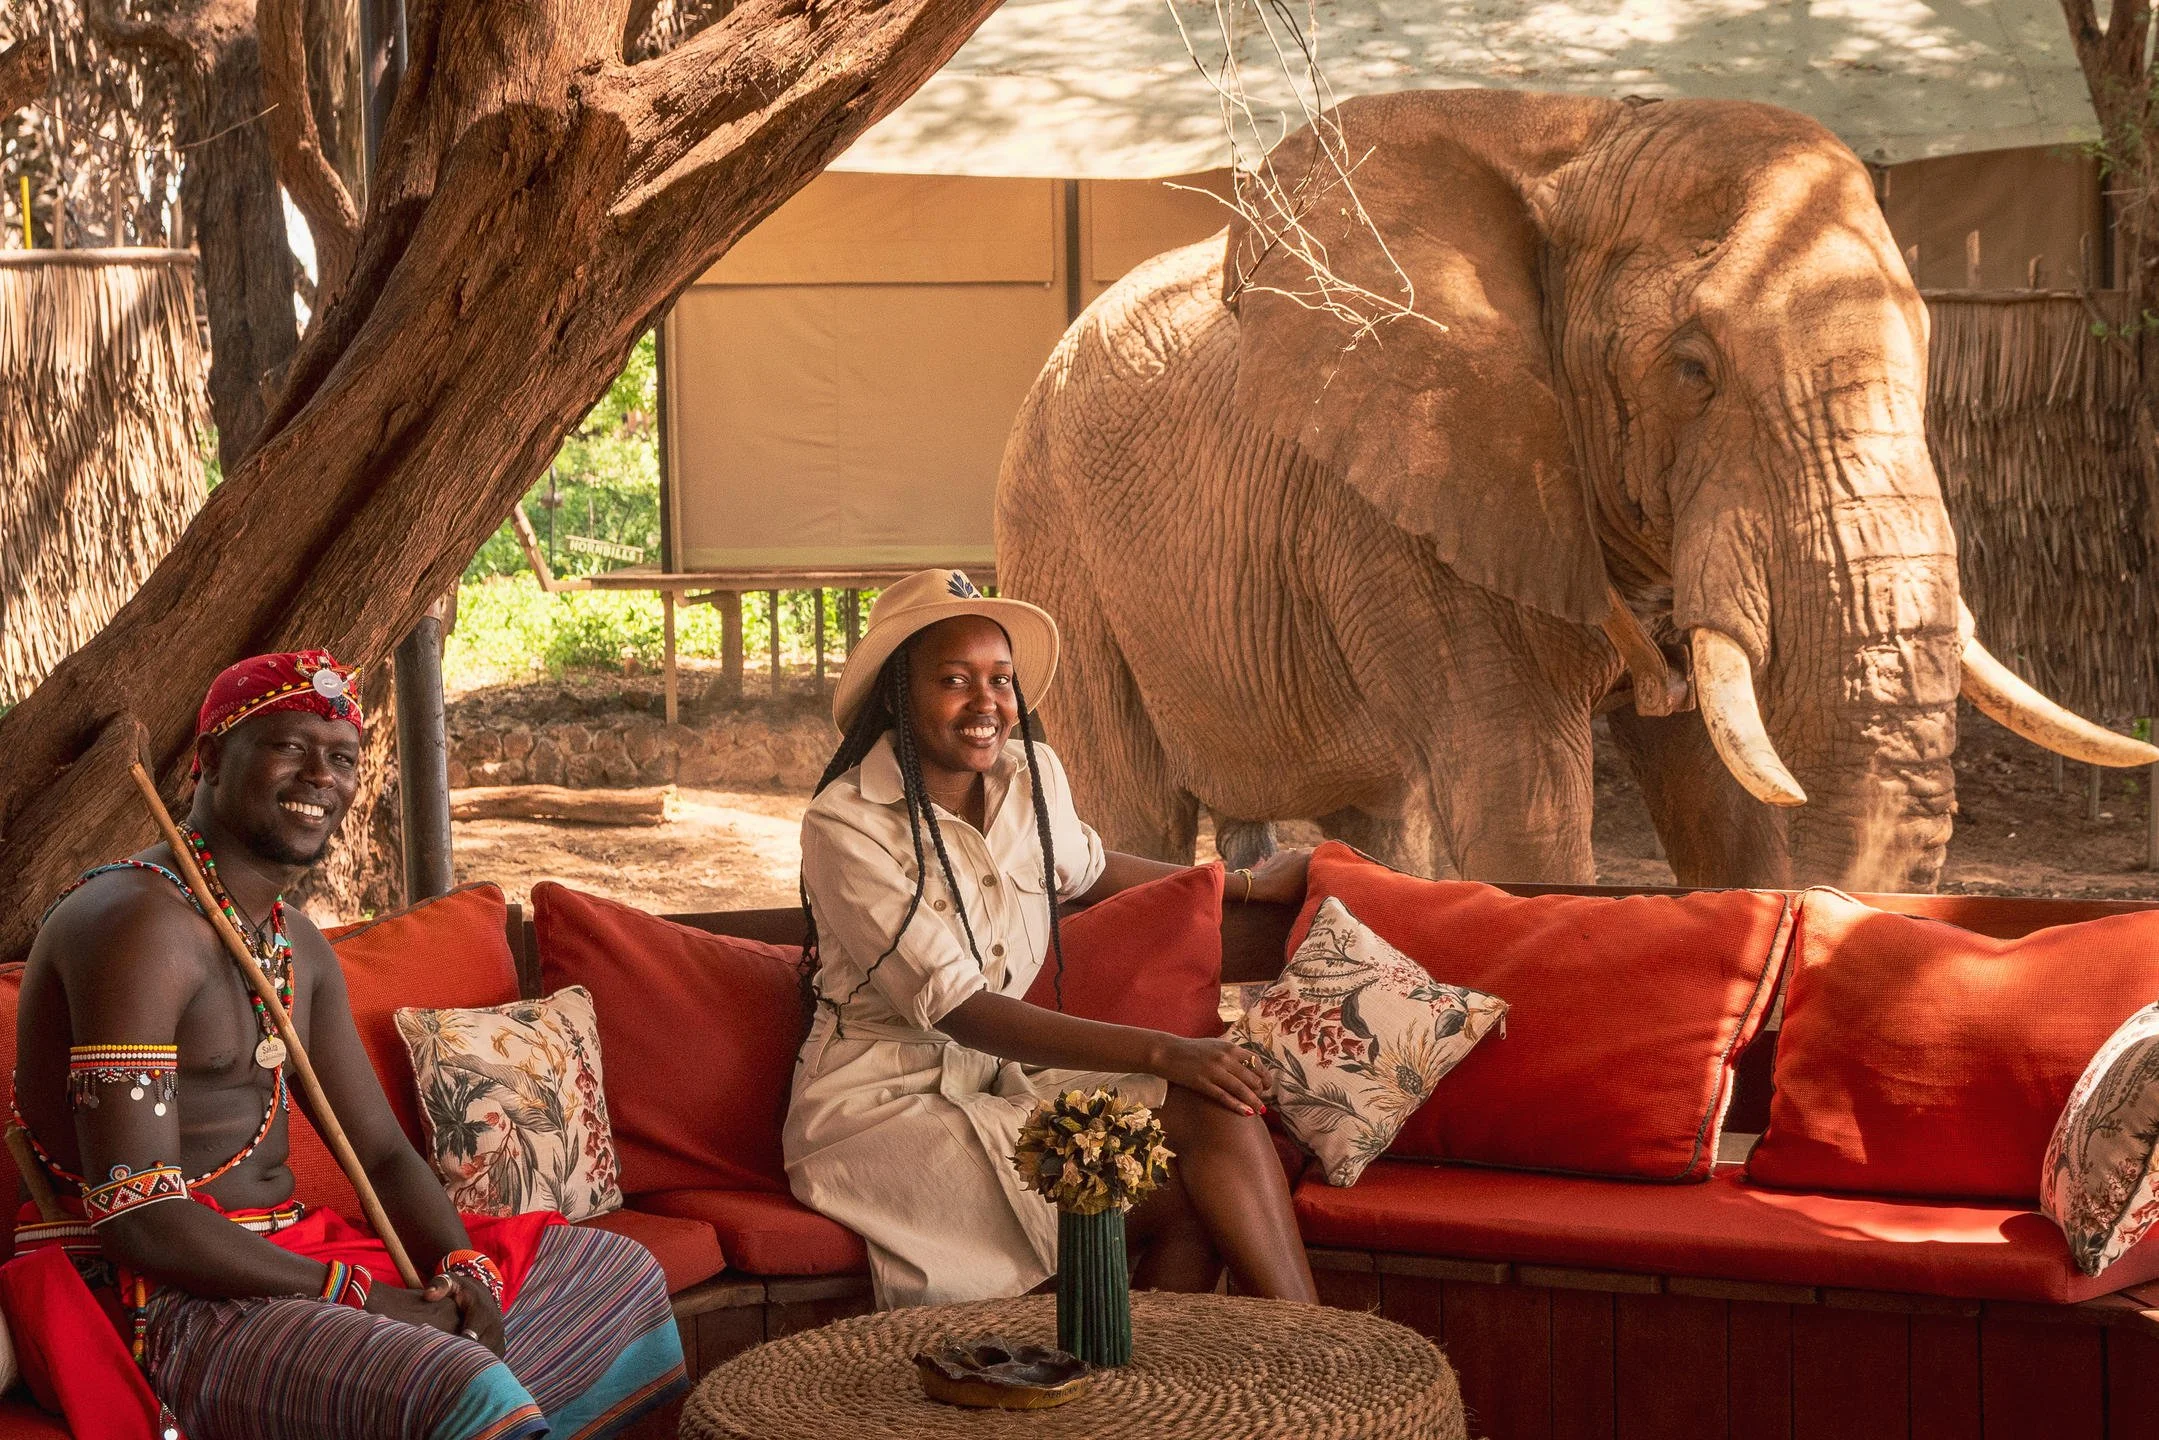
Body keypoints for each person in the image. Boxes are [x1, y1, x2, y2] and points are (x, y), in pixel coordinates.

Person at [10, 650, 686, 1440]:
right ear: (209, 761)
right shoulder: (136, 925)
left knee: (617, 1273)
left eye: (340, 757)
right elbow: (138, 1212)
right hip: (158, 1299)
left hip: (289, 1258)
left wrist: (460, 1268)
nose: (319, 777)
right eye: (288, 747)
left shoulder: (294, 943)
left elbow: (383, 1154)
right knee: (454, 1382)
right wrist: (357, 1296)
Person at [787, 569, 1320, 1309]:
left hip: (1006, 1082)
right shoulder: (845, 824)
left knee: (1209, 1118)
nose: (986, 703)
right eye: (953, 679)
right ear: (897, 696)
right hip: (887, 1109)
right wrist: (1164, 1049)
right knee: (1189, 1166)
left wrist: (1249, 885)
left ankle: (1313, 1351)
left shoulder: (1031, 775)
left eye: (1000, 679)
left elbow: (1091, 869)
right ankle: (1156, 1393)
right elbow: (958, 1008)